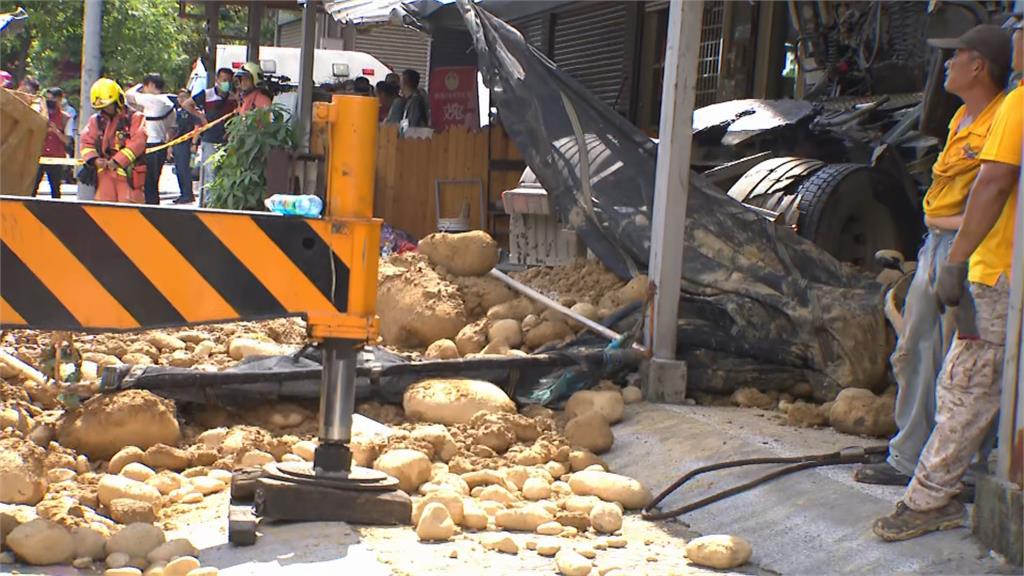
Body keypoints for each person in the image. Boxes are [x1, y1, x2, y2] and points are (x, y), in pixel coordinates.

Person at [874, 19, 1022, 542]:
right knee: (933, 362)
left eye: (954, 55)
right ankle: (917, 466)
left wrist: (957, 255)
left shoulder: (1014, 107)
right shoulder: (968, 116)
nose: (946, 65)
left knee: (963, 383)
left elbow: (996, 184)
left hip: (986, 262)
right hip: (966, 254)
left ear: (979, 64)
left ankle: (932, 495)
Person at [79, 78, 147, 203]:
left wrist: (118, 161)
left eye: (108, 105)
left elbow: (138, 142)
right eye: (102, 107)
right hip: (104, 174)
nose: (106, 109)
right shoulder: (96, 120)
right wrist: (94, 159)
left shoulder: (134, 117)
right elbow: (86, 142)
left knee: (130, 212)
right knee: (104, 211)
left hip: (129, 175)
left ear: (118, 101)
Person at [181, 67, 236, 206]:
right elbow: (187, 104)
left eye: (229, 81)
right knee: (210, 173)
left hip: (228, 141)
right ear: (217, 80)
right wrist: (201, 117)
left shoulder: (234, 97)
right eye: (224, 80)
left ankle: (220, 203)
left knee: (224, 174)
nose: (226, 83)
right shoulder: (206, 94)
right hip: (210, 139)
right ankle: (209, 203)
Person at [127, 73, 175, 205]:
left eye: (145, 87)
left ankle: (150, 208)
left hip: (150, 146)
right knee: (153, 182)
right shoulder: (168, 103)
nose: (144, 90)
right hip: (161, 146)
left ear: (151, 85)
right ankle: (153, 207)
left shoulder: (153, 100)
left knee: (147, 182)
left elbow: (128, 95)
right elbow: (172, 128)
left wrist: (138, 86)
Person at [33, 87, 71, 198]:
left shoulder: (65, 118)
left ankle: (56, 213)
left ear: (59, 99)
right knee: (32, 187)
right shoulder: (41, 116)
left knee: (55, 189)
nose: (50, 101)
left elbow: (67, 140)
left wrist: (56, 131)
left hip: (56, 157)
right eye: (48, 98)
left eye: (53, 99)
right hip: (39, 155)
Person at [169, 88, 199, 204]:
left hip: (186, 143)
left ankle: (187, 194)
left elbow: (197, 127)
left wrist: (194, 143)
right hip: (177, 143)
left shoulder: (191, 111)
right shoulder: (177, 111)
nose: (181, 99)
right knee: (179, 170)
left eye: (184, 97)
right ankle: (183, 193)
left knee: (184, 169)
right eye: (179, 97)